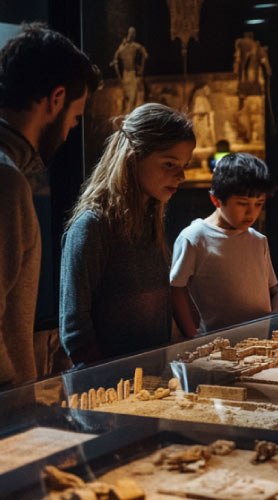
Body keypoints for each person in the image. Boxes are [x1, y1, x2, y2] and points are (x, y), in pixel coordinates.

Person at [0, 23, 100, 387]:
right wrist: (16, 408)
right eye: (74, 119)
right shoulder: (5, 180)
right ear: (55, 99)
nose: (70, 130)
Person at [60, 103, 195, 366]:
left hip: (150, 382)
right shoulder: (92, 225)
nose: (182, 175)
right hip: (108, 392)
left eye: (183, 164)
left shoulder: (149, 222)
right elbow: (76, 331)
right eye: (170, 163)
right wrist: (110, 384)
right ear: (133, 157)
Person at [171, 153, 278, 336]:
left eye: (259, 203)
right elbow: (175, 289)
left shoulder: (259, 241)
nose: (251, 212)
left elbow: (276, 293)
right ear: (216, 200)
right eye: (242, 203)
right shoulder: (194, 238)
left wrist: (274, 316)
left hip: (261, 344)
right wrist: (191, 336)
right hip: (216, 349)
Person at [110, 27, 148, 114]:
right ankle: (127, 116)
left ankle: (128, 116)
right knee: (129, 97)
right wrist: (119, 76)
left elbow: (145, 54)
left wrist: (141, 69)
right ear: (128, 34)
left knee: (133, 97)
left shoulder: (135, 46)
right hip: (126, 74)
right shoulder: (122, 47)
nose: (132, 35)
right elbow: (115, 60)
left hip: (132, 73)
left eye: (134, 33)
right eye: (131, 33)